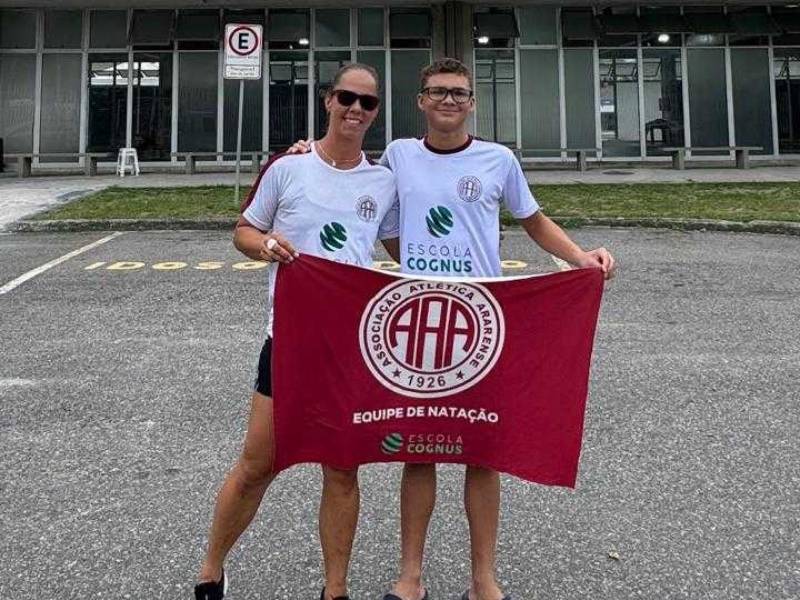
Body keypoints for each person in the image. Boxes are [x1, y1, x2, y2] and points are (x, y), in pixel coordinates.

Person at [291, 57, 617, 600]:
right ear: (420, 101)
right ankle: (410, 575)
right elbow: (348, 170)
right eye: (437, 92)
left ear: (472, 103)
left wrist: (581, 258)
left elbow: (531, 219)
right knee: (418, 448)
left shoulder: (499, 160)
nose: (448, 100)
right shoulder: (398, 155)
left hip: (482, 319)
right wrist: (305, 154)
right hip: (418, 320)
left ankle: (483, 577)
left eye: (458, 93)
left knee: (481, 451)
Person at [194, 63, 400, 600]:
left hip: (352, 347)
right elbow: (243, 230)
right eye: (347, 98)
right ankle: (210, 572)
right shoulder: (287, 168)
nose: (357, 109)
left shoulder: (382, 184)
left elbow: (407, 257)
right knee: (258, 465)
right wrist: (263, 246)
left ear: (376, 112)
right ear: (328, 101)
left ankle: (336, 590)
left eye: (368, 103)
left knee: (343, 470)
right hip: (289, 342)